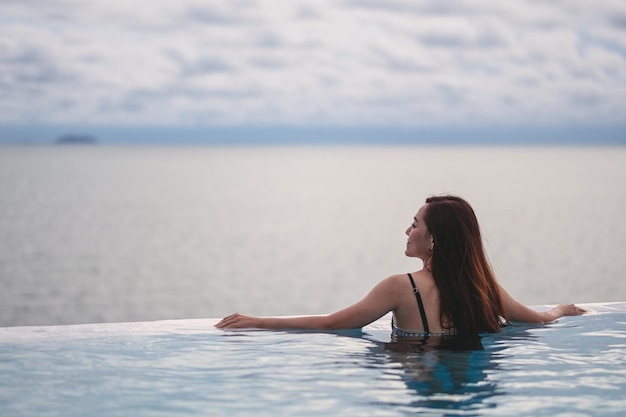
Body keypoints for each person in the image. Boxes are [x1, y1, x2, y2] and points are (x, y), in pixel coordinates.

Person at [216, 195, 585, 336]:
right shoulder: (483, 288)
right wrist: (562, 309)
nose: (407, 230)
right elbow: (537, 320)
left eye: (415, 223)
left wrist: (257, 321)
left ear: (434, 238)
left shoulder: (400, 287)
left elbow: (332, 323)